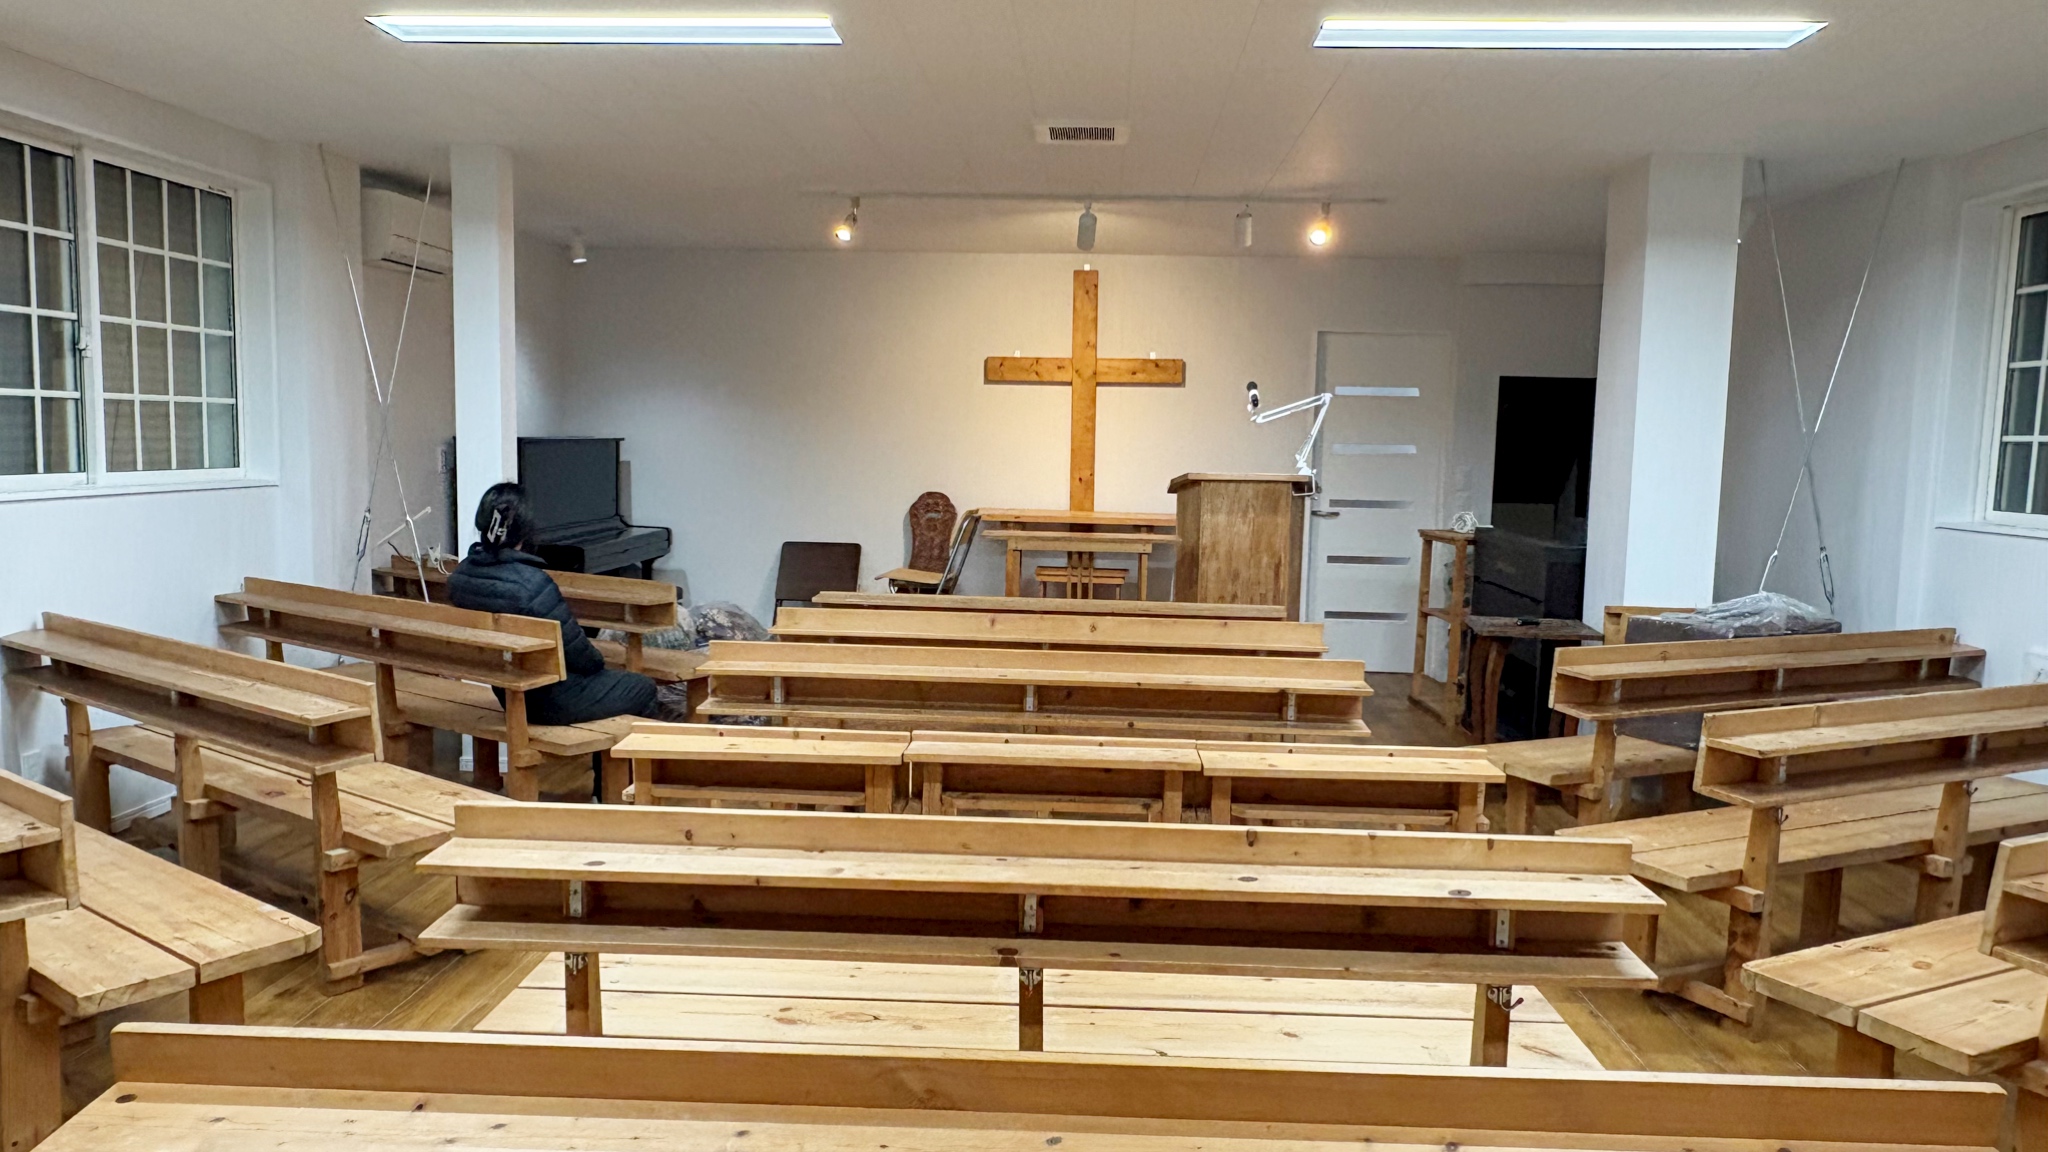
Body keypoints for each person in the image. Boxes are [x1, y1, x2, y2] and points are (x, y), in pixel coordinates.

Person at [446, 482, 659, 726]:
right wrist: (601, 664)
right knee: (643, 687)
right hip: (550, 699)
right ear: (525, 530)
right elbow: (582, 658)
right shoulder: (532, 585)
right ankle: (621, 752)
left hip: (508, 691)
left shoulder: (460, 576)